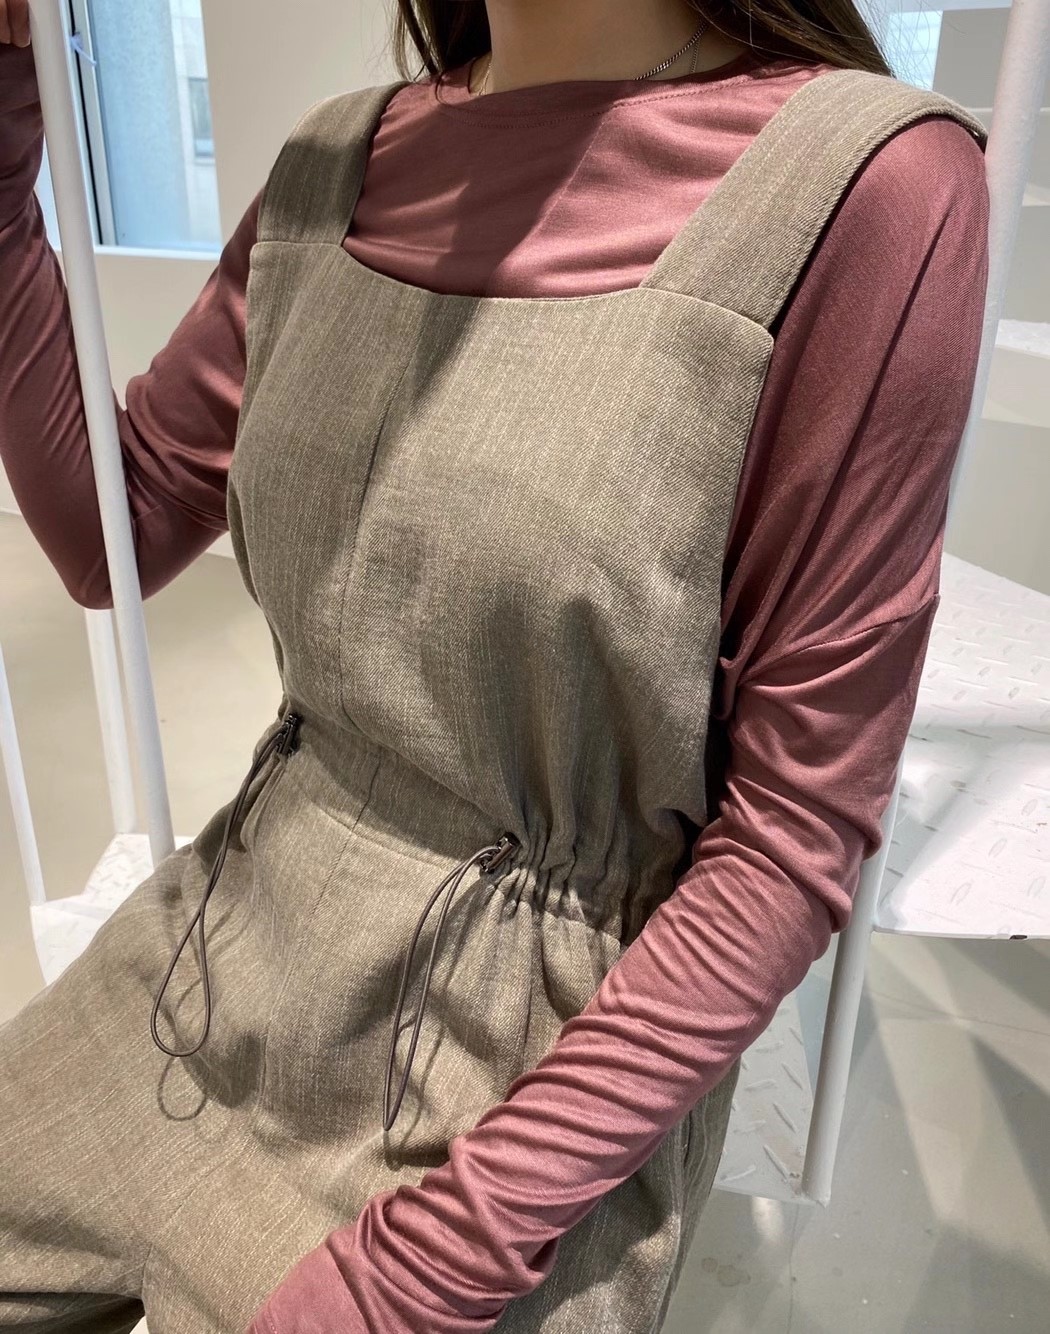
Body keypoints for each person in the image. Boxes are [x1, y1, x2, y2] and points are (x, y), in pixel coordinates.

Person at [0, 1, 989, 1330]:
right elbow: (103, 534)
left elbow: (790, 837)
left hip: (509, 1081)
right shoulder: (335, 163)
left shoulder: (864, 187)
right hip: (212, 952)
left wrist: (415, 1272)